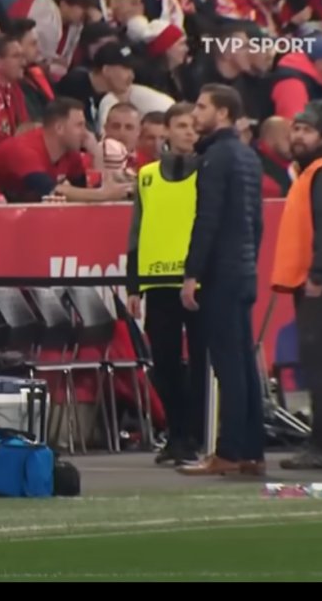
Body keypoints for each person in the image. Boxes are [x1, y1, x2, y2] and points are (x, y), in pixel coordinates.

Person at [178, 84, 266, 477]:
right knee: (244, 363)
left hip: (222, 273)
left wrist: (192, 273)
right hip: (243, 269)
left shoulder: (216, 158)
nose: (195, 114)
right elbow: (256, 222)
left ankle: (228, 451)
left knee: (228, 364)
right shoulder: (247, 156)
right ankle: (251, 451)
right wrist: (249, 262)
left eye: (202, 107)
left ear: (224, 114)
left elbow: (207, 219)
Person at [126, 102, 206, 466]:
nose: (190, 133)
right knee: (165, 363)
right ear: (168, 130)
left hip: (197, 281)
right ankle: (176, 434)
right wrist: (133, 286)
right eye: (183, 126)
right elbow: (136, 231)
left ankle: (193, 435)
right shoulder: (146, 175)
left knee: (200, 362)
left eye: (194, 127)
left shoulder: (206, 171)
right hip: (157, 281)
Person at [271, 102, 322, 470]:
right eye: (296, 129)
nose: (298, 136)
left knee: (320, 367)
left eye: (307, 130)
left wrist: (319, 274)